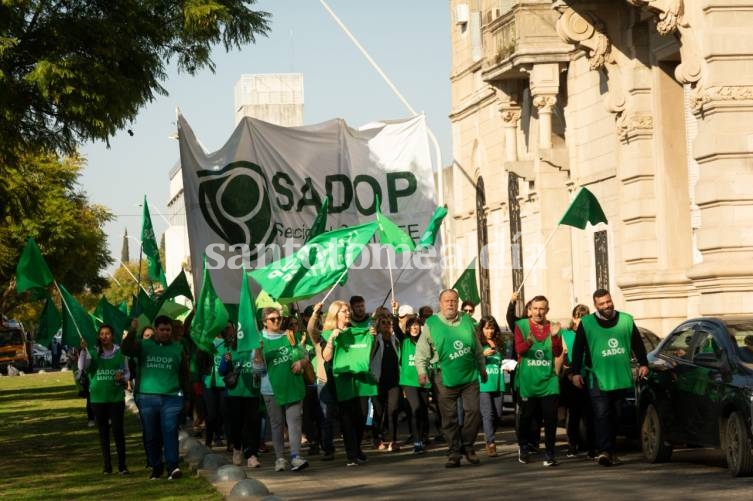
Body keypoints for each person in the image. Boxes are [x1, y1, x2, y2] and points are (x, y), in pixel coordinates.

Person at [571, 289, 649, 467]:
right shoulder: (587, 323)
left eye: (608, 301)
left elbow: (637, 343)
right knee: (601, 413)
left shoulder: (626, 320)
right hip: (597, 377)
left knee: (616, 414)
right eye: (602, 304)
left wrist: (643, 363)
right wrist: (576, 372)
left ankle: (611, 451)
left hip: (620, 376)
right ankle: (604, 451)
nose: (606, 306)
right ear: (595, 305)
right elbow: (578, 349)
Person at [415, 289, 487, 468]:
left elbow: (477, 348)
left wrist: (482, 368)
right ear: (440, 303)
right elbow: (421, 351)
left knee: (474, 412)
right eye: (446, 301)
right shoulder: (431, 323)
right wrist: (422, 372)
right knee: (449, 417)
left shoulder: (467, 321)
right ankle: (454, 452)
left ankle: (468, 446)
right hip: (443, 377)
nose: (450, 304)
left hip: (469, 375)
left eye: (453, 300)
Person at [121, 315, 188, 480]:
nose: (165, 333)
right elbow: (126, 349)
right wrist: (132, 331)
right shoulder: (144, 345)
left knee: (170, 431)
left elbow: (184, 374)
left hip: (172, 397)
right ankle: (156, 467)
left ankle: (173, 467)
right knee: (151, 434)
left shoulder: (178, 348)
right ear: (156, 329)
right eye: (162, 330)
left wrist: (186, 398)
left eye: (168, 330)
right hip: (147, 398)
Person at [321, 300, 376, 466]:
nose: (347, 313)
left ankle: (357, 449)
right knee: (347, 418)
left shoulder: (358, 331)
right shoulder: (327, 334)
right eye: (343, 311)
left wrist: (371, 339)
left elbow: (368, 355)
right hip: (341, 381)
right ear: (335, 314)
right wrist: (331, 339)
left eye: (347, 310)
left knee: (362, 416)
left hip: (360, 380)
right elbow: (326, 357)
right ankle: (351, 454)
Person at [256, 307, 310, 472]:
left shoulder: (289, 335)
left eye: (279, 318)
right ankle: (280, 458)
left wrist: (301, 363)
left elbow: (305, 355)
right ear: (265, 322)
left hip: (291, 385)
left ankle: (295, 457)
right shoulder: (259, 339)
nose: (277, 321)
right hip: (270, 389)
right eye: (273, 319)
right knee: (277, 424)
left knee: (294, 422)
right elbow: (257, 371)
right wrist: (258, 353)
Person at [514, 295, 563, 467]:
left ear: (547, 310)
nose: (538, 312)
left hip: (549, 381)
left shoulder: (554, 327)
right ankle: (524, 447)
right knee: (526, 418)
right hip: (528, 382)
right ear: (529, 309)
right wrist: (528, 342)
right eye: (535, 308)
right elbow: (519, 349)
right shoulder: (521, 325)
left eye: (542, 308)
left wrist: (556, 337)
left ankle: (550, 454)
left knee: (551, 419)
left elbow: (557, 353)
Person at [79, 324, 130, 474]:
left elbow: (127, 373)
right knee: (103, 433)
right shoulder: (92, 352)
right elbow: (82, 366)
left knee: (118, 430)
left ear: (112, 336)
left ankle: (122, 465)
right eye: (102, 334)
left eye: (107, 334)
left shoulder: (121, 353)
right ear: (98, 336)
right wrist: (83, 350)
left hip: (116, 398)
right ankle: (107, 466)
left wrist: (123, 378)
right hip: (98, 400)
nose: (105, 336)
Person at [219, 322, 263, 468]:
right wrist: (226, 362)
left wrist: (258, 352)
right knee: (236, 424)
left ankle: (252, 454)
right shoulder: (231, 350)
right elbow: (222, 372)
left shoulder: (255, 350)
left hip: (253, 393)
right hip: (235, 394)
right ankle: (237, 448)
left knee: (253, 424)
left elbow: (262, 370)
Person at [560, 304, 593, 458]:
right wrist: (569, 374)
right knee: (574, 413)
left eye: (585, 317)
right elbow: (562, 357)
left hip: (589, 377)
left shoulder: (592, 333)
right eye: (579, 317)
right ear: (574, 318)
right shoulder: (566, 335)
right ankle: (573, 444)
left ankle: (590, 446)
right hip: (571, 377)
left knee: (589, 413)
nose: (581, 320)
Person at [370, 313, 402, 451]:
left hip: (394, 381)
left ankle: (393, 440)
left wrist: (395, 313)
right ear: (378, 325)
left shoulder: (395, 340)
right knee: (378, 411)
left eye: (389, 323)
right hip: (378, 381)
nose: (387, 325)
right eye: (383, 323)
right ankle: (377, 437)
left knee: (393, 410)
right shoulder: (375, 340)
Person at [399, 317, 431, 454]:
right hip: (409, 382)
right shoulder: (404, 341)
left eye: (416, 325)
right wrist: (395, 313)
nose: (414, 328)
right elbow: (395, 328)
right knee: (415, 409)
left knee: (423, 411)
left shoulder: (426, 342)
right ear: (407, 328)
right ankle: (417, 442)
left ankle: (423, 438)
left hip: (424, 381)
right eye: (411, 325)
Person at [477, 316, 506, 458]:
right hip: (483, 383)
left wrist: (508, 366)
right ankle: (491, 443)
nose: (489, 331)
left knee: (498, 415)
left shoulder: (499, 343)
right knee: (488, 414)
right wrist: (482, 355)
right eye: (487, 328)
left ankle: (489, 436)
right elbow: (471, 362)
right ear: (481, 329)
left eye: (492, 328)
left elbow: (503, 361)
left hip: (498, 382)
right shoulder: (477, 343)